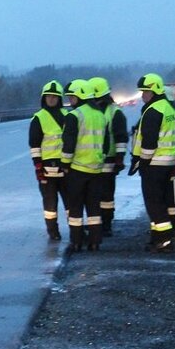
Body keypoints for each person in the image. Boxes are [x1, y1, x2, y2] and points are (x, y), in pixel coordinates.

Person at [128, 72, 175, 252]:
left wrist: (143, 162)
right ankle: (157, 237)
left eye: (145, 92)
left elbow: (149, 141)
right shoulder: (167, 108)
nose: (143, 95)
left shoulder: (153, 111)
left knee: (154, 203)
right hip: (168, 162)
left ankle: (164, 240)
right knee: (162, 201)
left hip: (154, 164)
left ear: (155, 91)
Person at [60, 79, 109, 251]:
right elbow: (106, 143)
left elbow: (69, 143)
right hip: (96, 169)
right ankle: (95, 241)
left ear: (80, 96)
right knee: (94, 207)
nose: (70, 100)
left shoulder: (74, 116)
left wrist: (65, 164)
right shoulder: (100, 115)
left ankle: (77, 241)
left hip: (78, 169)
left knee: (75, 207)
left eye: (72, 97)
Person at [28, 80, 68, 240]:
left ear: (59, 98)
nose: (51, 99)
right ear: (44, 98)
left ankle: (76, 230)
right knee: (50, 204)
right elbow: (34, 145)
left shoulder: (68, 116)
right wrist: (38, 166)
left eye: (55, 96)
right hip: (47, 169)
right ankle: (53, 231)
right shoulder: (38, 118)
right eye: (48, 96)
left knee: (71, 202)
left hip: (66, 167)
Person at [89, 77, 128, 236]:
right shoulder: (94, 111)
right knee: (94, 195)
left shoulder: (114, 112)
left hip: (108, 160)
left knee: (106, 196)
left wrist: (119, 158)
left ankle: (106, 224)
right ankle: (97, 223)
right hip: (92, 161)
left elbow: (121, 138)